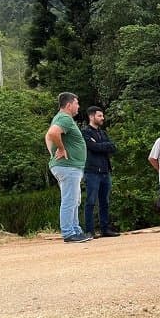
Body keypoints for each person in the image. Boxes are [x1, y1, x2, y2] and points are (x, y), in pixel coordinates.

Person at [45, 92, 89, 243]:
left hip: (70, 167)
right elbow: (52, 133)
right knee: (70, 199)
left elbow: (47, 136)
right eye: (77, 103)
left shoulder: (61, 118)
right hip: (68, 167)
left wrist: (52, 151)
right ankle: (69, 232)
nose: (78, 106)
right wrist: (61, 149)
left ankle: (75, 229)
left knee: (74, 199)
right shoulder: (64, 118)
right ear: (69, 105)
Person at [82, 106, 119, 238]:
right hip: (92, 171)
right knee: (91, 201)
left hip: (105, 171)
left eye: (102, 116)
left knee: (105, 202)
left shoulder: (102, 133)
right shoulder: (85, 132)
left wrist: (101, 146)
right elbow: (92, 147)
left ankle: (105, 229)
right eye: (99, 116)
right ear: (91, 117)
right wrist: (104, 146)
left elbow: (113, 147)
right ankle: (89, 230)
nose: (102, 118)